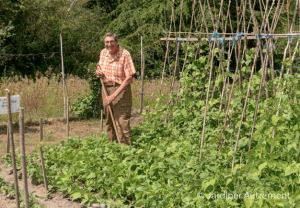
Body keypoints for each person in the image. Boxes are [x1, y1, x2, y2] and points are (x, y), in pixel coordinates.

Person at [95, 33, 136, 146]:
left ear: (117, 42)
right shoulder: (103, 52)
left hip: (121, 90)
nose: (109, 44)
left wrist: (114, 96)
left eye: (111, 41)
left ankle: (125, 149)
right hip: (106, 88)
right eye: (107, 42)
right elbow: (99, 65)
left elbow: (129, 78)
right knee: (109, 120)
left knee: (122, 121)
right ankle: (112, 146)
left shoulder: (125, 54)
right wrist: (98, 71)